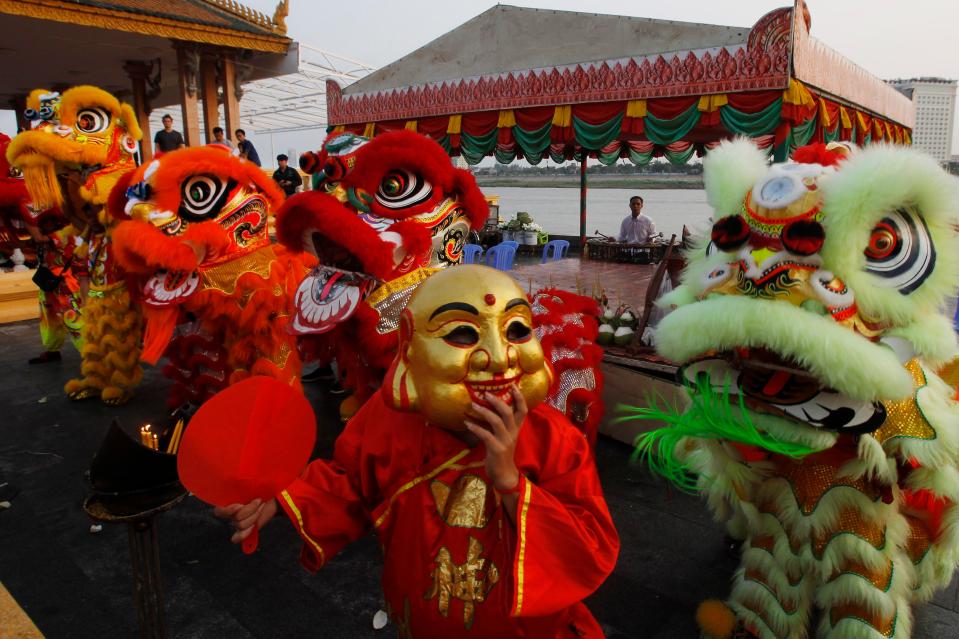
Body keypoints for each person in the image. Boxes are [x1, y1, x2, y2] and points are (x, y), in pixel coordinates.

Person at [216, 265, 619, 638]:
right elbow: (349, 483)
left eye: (516, 330)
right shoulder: (388, 420)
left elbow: (589, 544)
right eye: (462, 334)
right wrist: (282, 500)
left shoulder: (554, 439)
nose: (499, 358)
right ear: (410, 343)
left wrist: (511, 483)